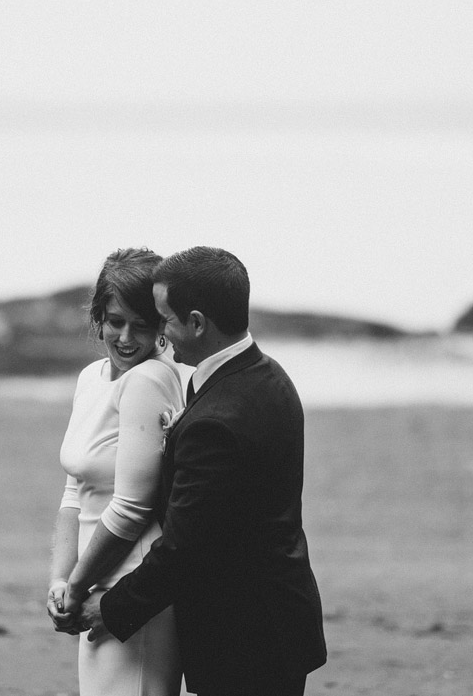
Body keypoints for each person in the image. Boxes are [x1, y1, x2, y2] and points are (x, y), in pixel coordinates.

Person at [77, 246, 327, 696]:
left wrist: (112, 607)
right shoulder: (269, 377)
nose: (163, 336)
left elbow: (187, 546)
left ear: (196, 322)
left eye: (164, 319)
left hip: (242, 634)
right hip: (280, 617)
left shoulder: (216, 418)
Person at [47, 247, 185, 696]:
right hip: (90, 576)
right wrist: (60, 581)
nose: (126, 338)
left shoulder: (148, 381)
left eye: (142, 325)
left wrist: (78, 586)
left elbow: (131, 508)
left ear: (163, 325)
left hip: (129, 583)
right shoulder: (91, 377)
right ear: (98, 317)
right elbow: (75, 490)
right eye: (115, 321)